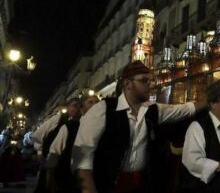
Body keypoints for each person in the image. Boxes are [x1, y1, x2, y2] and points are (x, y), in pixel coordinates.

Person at [72, 60, 206, 193]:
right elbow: (82, 157)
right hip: (107, 185)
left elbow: (185, 109)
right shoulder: (103, 109)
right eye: (144, 81)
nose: (151, 85)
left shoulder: (152, 110)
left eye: (151, 81)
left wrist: (210, 99)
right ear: (127, 83)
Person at [46, 94, 99, 193]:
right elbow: (54, 153)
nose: (94, 105)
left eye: (97, 102)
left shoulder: (102, 127)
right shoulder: (69, 127)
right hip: (68, 180)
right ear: (82, 108)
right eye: (90, 102)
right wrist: (50, 181)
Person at [33, 97, 81, 193]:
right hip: (50, 160)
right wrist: (41, 151)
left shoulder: (80, 123)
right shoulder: (58, 119)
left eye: (79, 107)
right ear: (68, 107)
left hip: (64, 165)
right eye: (74, 106)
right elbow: (38, 135)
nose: (77, 109)